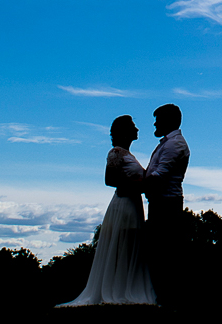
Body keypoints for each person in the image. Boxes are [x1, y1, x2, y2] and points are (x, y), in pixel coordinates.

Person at [57, 115, 156, 306]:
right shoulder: (116, 153)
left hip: (133, 204)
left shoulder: (128, 154)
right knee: (123, 244)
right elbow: (110, 180)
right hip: (124, 205)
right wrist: (141, 184)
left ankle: (126, 285)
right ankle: (117, 289)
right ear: (125, 131)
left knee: (131, 246)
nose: (137, 129)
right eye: (133, 126)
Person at [143, 103, 190, 307]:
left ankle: (168, 299)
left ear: (168, 121)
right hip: (161, 203)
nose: (154, 124)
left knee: (165, 253)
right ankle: (162, 297)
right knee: (159, 252)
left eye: (158, 120)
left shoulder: (174, 145)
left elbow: (159, 176)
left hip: (167, 205)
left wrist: (132, 185)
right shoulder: (167, 143)